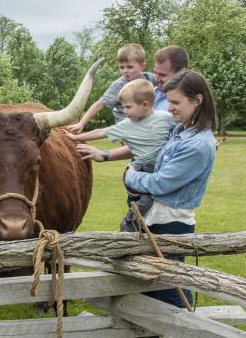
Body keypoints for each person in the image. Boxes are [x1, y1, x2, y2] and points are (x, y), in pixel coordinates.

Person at [78, 70, 217, 309]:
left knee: (169, 286)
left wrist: (131, 176)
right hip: (155, 215)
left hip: (170, 221)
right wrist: (105, 155)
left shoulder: (197, 145)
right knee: (150, 281)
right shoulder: (180, 130)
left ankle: (192, 336)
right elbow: (145, 146)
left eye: (175, 102)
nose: (169, 107)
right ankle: (152, 334)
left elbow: (161, 183)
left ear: (198, 100)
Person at [63, 78, 174, 232]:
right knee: (147, 202)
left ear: (145, 105)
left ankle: (140, 228)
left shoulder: (165, 118)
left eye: (128, 107)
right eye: (123, 107)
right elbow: (101, 132)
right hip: (141, 168)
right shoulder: (127, 125)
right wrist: (76, 137)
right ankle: (128, 224)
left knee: (154, 202)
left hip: (159, 167)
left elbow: (181, 129)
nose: (124, 111)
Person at [67, 43, 155, 134]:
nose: (125, 71)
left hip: (145, 123)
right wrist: (81, 123)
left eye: (129, 67)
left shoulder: (150, 78)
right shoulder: (119, 85)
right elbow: (99, 104)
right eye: (121, 67)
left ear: (142, 66)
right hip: (126, 127)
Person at [151, 45, 190, 111]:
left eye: (162, 75)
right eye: (155, 73)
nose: (157, 79)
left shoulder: (187, 103)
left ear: (181, 73)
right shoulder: (152, 93)